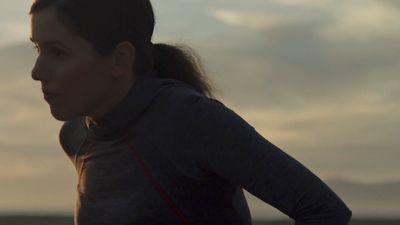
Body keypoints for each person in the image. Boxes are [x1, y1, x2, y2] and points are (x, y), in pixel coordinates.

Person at [29, 0, 352, 224]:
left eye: (58, 52)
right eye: (37, 49)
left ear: (120, 59)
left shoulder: (189, 120)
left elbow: (323, 211)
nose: (37, 71)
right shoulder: (75, 135)